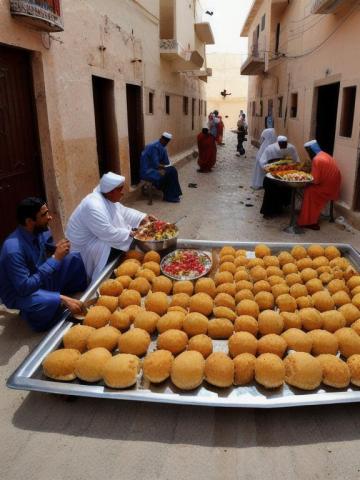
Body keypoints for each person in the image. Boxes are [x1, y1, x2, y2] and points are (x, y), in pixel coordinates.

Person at [0, 198, 88, 332]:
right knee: (49, 302)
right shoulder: (13, 249)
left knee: (73, 258)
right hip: (21, 293)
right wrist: (60, 297)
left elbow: (48, 248)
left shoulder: (40, 230)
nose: (50, 217)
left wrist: (58, 249)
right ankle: (36, 311)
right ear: (29, 221)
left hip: (39, 279)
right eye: (44, 215)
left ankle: (58, 298)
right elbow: (24, 287)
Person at [66, 172, 155, 283]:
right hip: (84, 250)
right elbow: (107, 233)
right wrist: (131, 233)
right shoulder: (93, 206)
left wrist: (142, 217)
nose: (123, 193)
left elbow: (123, 212)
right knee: (117, 241)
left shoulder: (106, 197)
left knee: (125, 235)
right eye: (120, 189)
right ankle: (104, 278)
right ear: (111, 192)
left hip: (98, 237)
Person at [297, 140, 341, 230]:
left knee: (309, 191)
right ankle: (307, 214)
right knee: (309, 188)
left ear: (312, 150)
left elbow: (315, 180)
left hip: (328, 188)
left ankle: (309, 221)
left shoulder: (317, 160)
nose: (308, 154)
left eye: (308, 151)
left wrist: (303, 178)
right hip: (334, 185)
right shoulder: (324, 154)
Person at [259, 135, 300, 218]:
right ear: (277, 143)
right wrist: (269, 169)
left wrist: (293, 167)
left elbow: (296, 161)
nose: (283, 147)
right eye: (281, 144)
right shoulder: (270, 148)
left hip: (286, 173)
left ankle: (280, 208)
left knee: (285, 189)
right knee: (270, 190)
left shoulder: (291, 148)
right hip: (272, 173)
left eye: (284, 144)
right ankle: (267, 212)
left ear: (287, 143)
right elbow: (262, 162)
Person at [140, 132, 182, 203]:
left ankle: (174, 194)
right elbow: (155, 164)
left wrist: (165, 167)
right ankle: (169, 196)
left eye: (167, 141)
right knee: (170, 172)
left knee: (172, 170)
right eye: (165, 140)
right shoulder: (153, 147)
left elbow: (166, 162)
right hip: (148, 171)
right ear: (161, 139)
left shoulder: (163, 147)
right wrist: (164, 167)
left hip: (155, 169)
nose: (166, 143)